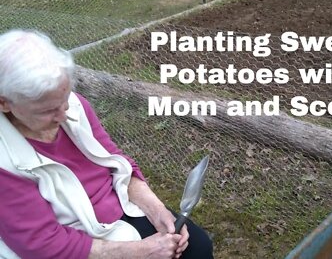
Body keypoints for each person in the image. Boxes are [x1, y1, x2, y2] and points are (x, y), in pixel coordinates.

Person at [0, 29, 213, 259]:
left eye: (64, 100)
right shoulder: (5, 161)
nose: (64, 115)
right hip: (78, 237)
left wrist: (158, 211)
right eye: (47, 110)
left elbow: (116, 160)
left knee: (197, 247)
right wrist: (142, 251)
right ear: (4, 103)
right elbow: (42, 243)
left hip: (119, 205)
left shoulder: (73, 105)